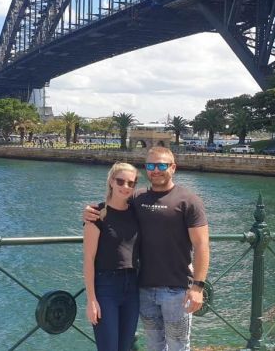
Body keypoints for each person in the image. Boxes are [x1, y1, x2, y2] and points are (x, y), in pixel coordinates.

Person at [84, 147, 209, 351]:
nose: (156, 170)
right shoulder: (137, 199)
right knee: (154, 346)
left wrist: (198, 287)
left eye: (162, 165)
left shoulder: (189, 200)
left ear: (173, 167)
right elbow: (114, 208)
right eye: (151, 165)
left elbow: (202, 244)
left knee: (179, 346)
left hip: (177, 290)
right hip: (143, 289)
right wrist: (90, 211)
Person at [83, 162, 141, 351]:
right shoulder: (96, 215)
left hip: (132, 287)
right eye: (120, 181)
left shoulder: (136, 212)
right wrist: (91, 300)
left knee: (125, 347)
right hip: (106, 288)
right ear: (111, 181)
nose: (125, 187)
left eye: (130, 183)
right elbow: (89, 260)